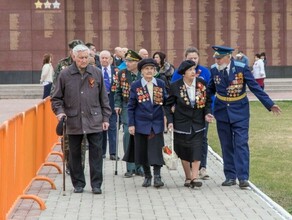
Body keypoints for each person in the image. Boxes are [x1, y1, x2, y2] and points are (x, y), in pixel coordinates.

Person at [207, 45, 281, 189]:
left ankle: (243, 177)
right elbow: (210, 90)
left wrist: (270, 104)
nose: (217, 61)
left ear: (228, 57)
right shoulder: (214, 69)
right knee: (226, 144)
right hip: (222, 112)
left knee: (241, 144)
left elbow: (255, 87)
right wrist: (205, 107)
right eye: (216, 58)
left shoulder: (241, 67)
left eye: (220, 58)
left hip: (240, 111)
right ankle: (230, 176)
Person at [51, 44, 112, 194]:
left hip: (94, 119)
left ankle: (96, 184)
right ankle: (78, 183)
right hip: (73, 120)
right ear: (74, 57)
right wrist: (60, 112)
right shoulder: (65, 74)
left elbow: (104, 98)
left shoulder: (96, 73)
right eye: (81, 58)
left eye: (86, 57)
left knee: (96, 154)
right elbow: (56, 99)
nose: (84, 60)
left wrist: (106, 118)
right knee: (74, 154)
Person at [165, 60, 213, 188]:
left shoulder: (201, 84)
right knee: (184, 150)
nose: (193, 72)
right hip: (181, 123)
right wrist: (169, 121)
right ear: (183, 73)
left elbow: (207, 101)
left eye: (194, 69)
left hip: (198, 122)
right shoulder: (175, 86)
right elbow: (168, 105)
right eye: (190, 70)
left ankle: (195, 177)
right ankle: (188, 177)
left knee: (197, 148)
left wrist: (207, 113)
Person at [128, 58, 168, 187]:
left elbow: (166, 101)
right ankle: (147, 175)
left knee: (156, 149)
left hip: (156, 122)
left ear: (155, 71)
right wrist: (131, 124)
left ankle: (157, 176)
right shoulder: (136, 85)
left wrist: (169, 115)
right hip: (141, 123)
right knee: (143, 150)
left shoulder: (160, 83)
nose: (149, 71)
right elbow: (131, 106)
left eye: (152, 69)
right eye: (146, 69)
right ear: (141, 71)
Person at [51, 39, 85, 175]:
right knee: (66, 140)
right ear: (71, 52)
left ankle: (79, 166)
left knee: (82, 142)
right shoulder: (62, 65)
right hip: (66, 110)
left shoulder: (86, 64)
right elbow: (55, 86)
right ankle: (69, 163)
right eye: (74, 49)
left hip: (82, 109)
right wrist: (58, 108)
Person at [114, 49, 144, 177]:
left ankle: (140, 166)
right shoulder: (122, 74)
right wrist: (117, 104)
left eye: (131, 61)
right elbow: (118, 91)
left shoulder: (143, 74)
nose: (127, 63)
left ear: (137, 62)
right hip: (127, 106)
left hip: (142, 107)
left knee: (141, 135)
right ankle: (130, 167)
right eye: (126, 61)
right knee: (127, 134)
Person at [98, 50, 118, 160]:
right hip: (99, 103)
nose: (105, 60)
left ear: (110, 59)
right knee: (101, 129)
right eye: (102, 58)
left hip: (112, 102)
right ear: (99, 59)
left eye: (107, 58)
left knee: (112, 128)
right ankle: (101, 152)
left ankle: (113, 152)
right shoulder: (95, 71)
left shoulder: (116, 71)